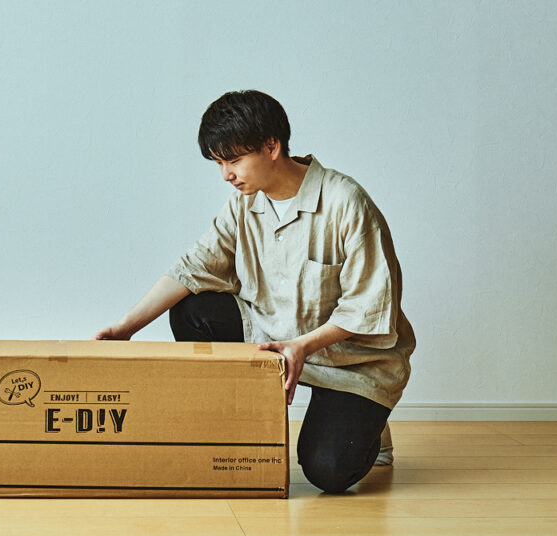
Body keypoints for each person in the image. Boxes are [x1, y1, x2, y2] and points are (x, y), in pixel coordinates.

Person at [93, 90, 415, 493]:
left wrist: (302, 345)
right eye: (218, 163)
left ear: (272, 147)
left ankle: (371, 423)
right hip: (272, 338)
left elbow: (367, 306)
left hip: (352, 363)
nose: (226, 175)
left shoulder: (345, 202)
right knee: (192, 309)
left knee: (328, 473)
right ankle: (241, 425)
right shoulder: (242, 205)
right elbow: (194, 268)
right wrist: (126, 327)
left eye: (233, 160)